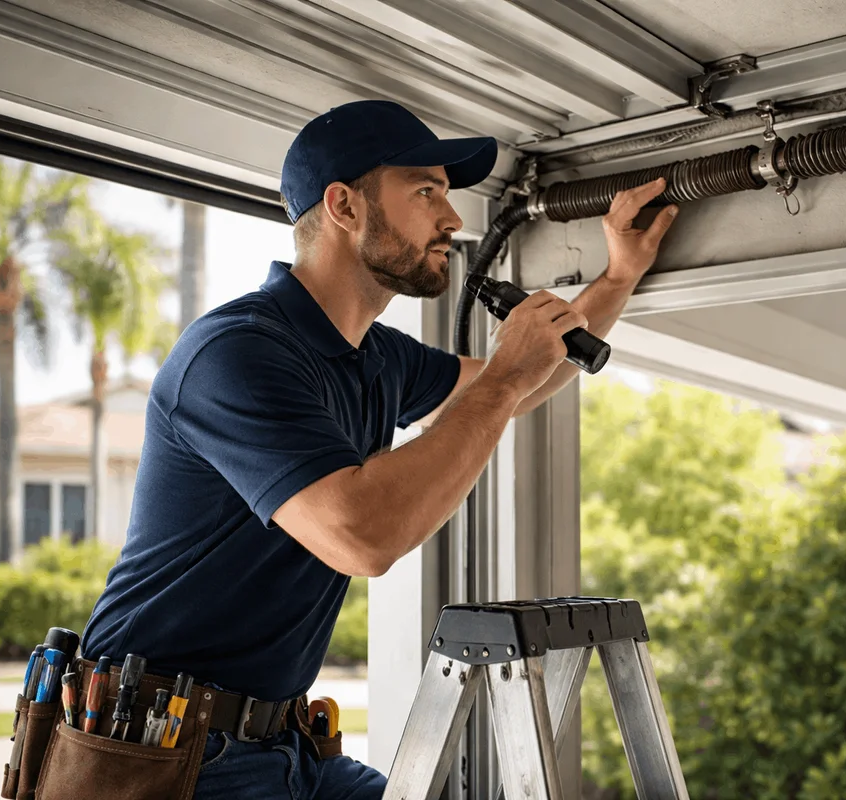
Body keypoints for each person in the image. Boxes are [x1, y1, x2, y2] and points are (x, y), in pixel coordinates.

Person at [78, 99, 678, 799]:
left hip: (282, 743)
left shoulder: (374, 356)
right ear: (344, 206)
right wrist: (508, 375)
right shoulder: (236, 353)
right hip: (162, 758)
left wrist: (617, 279)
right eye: (426, 192)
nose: (453, 221)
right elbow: (362, 536)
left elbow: (519, 388)